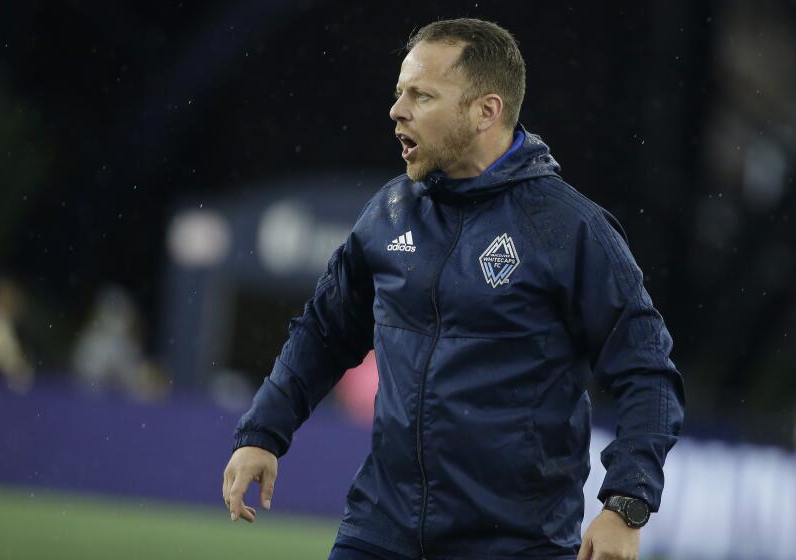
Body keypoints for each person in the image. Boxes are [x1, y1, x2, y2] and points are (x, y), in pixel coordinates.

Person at [222, 18, 685, 560]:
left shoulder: (570, 230)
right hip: (379, 533)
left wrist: (625, 504)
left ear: (485, 110)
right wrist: (263, 431)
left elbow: (648, 372)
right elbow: (323, 333)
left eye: (421, 95)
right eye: (400, 93)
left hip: (515, 546)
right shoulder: (389, 214)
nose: (397, 110)